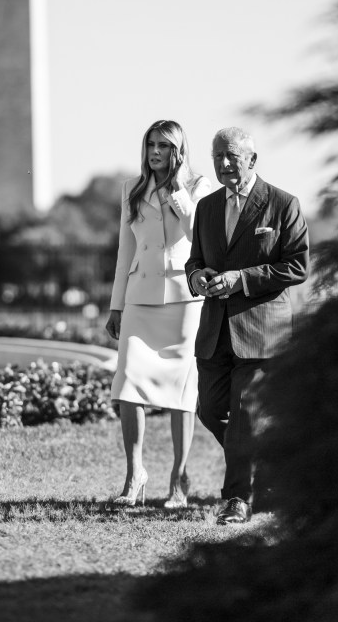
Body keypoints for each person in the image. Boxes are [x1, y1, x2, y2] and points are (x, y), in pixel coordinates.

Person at [185, 126, 309, 525]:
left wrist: (240, 278)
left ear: (252, 160)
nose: (222, 164)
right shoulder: (206, 207)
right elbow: (194, 260)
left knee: (242, 414)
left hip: (261, 332)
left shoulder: (283, 204)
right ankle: (270, 470)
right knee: (211, 410)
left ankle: (238, 498)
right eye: (217, 156)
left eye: (232, 157)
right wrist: (197, 277)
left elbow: (297, 266)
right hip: (215, 332)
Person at [106, 119, 214, 508]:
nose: (155, 152)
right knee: (129, 382)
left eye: (164, 146)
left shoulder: (200, 186)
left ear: (178, 150)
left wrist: (177, 192)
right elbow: (125, 252)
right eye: (151, 144)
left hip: (186, 301)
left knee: (182, 392)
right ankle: (135, 473)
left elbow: (197, 232)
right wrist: (116, 304)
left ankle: (179, 479)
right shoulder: (131, 189)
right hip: (139, 296)